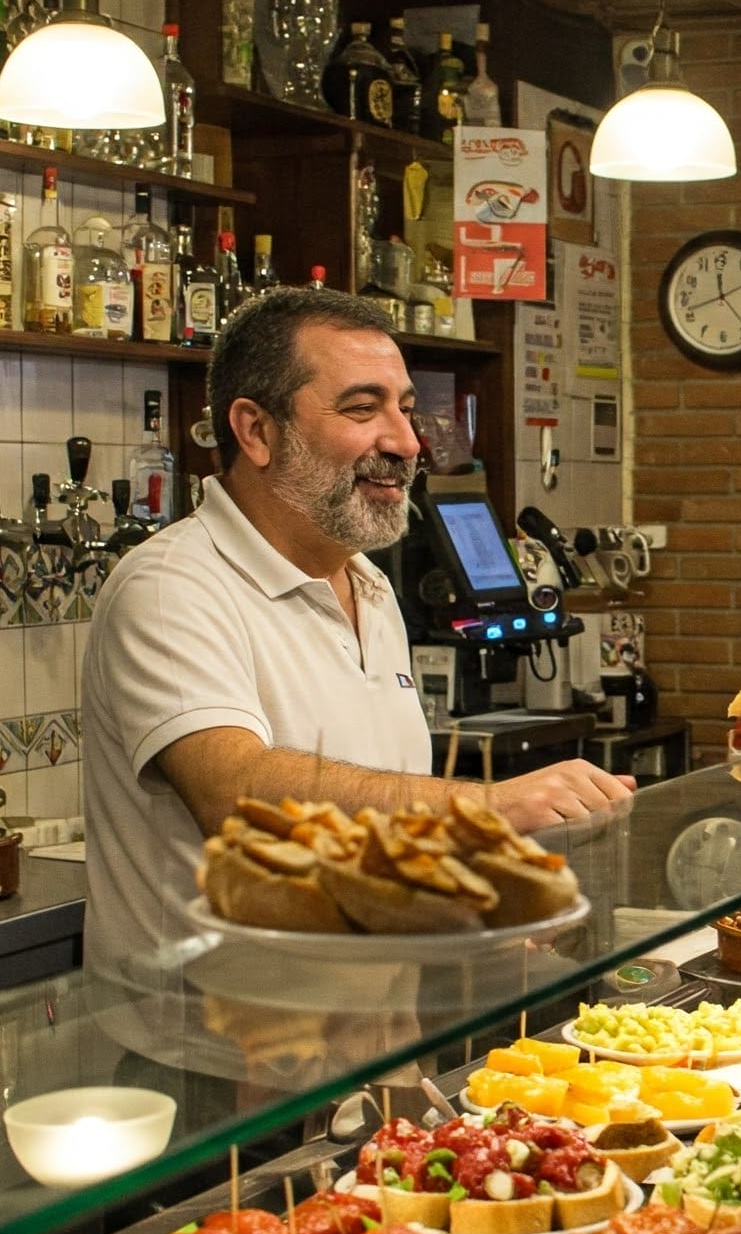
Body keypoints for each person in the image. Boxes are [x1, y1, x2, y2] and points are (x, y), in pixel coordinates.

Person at [81, 289, 631, 971]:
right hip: (220, 1029)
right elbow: (233, 791)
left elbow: (374, 838)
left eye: (405, 408)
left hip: (376, 1020)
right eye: (363, 409)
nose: (406, 442)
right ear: (256, 431)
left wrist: (467, 911)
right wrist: (486, 807)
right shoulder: (171, 586)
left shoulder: (368, 584)